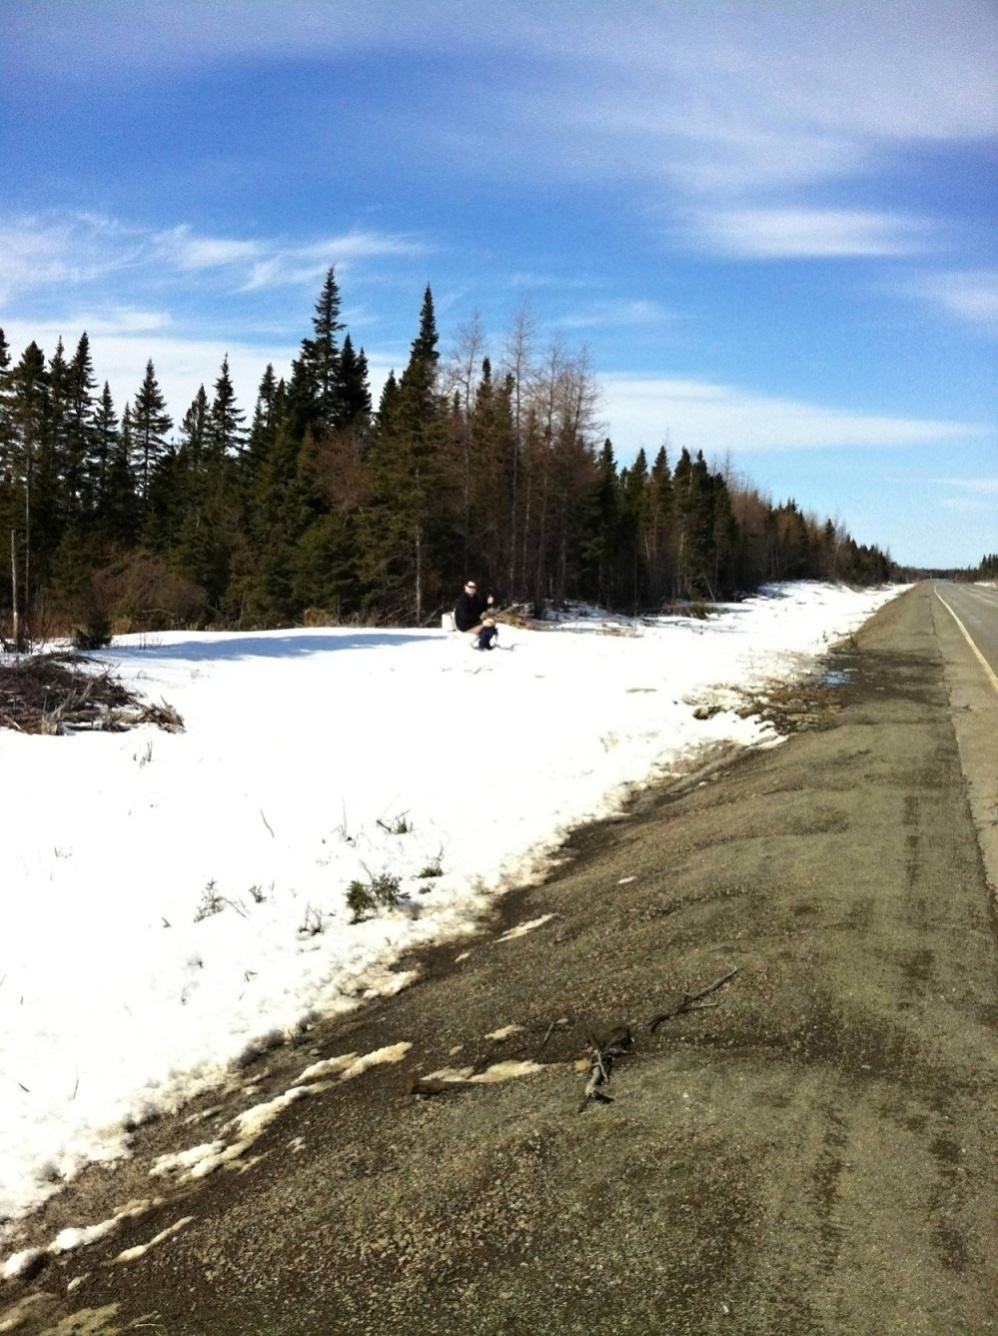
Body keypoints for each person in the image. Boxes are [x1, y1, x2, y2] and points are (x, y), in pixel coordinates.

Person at [454, 579, 498, 649]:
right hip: (464, 626)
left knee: (492, 622)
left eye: (474, 587)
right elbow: (465, 616)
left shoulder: (474, 598)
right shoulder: (462, 600)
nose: (472, 589)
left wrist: (488, 603)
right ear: (465, 587)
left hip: (472, 623)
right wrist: (480, 620)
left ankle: (486, 644)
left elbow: (480, 609)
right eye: (470, 586)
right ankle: (483, 647)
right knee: (488, 625)